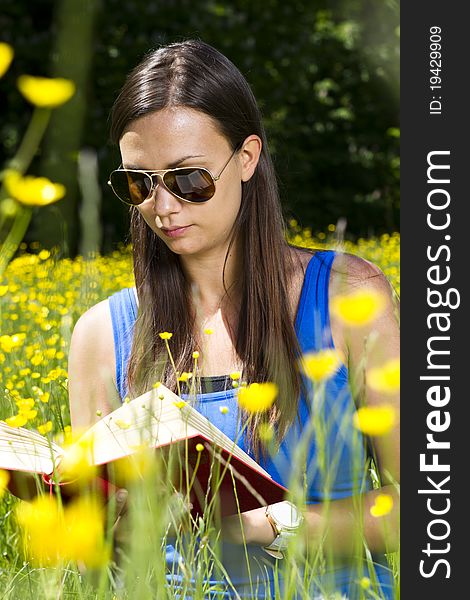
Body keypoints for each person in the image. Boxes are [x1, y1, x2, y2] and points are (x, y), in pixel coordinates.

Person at [67, 39, 399, 599]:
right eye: (139, 183)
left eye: (189, 179)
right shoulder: (102, 334)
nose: (164, 207)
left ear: (246, 158)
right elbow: (95, 564)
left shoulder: (347, 297)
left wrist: (268, 524)